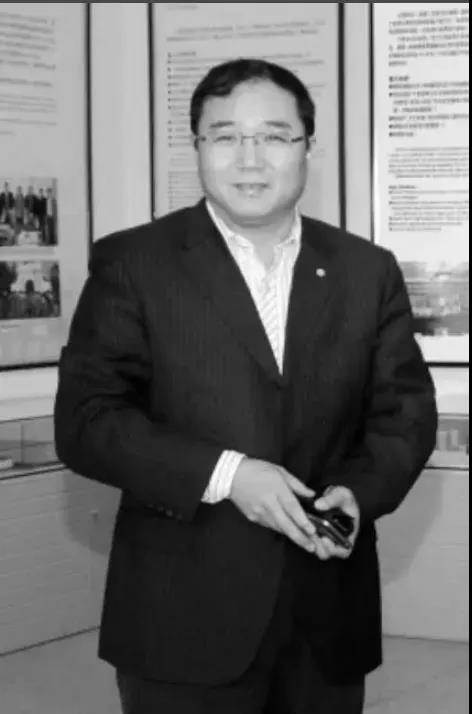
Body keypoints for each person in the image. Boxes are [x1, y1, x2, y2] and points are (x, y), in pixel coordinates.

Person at [54, 58, 437, 714]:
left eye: (275, 136)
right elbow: (88, 420)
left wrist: (358, 493)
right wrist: (229, 475)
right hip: (183, 614)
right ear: (198, 146)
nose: (250, 159)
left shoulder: (365, 270)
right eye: (226, 136)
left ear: (308, 146)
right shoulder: (134, 263)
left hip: (327, 613)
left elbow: (404, 413)